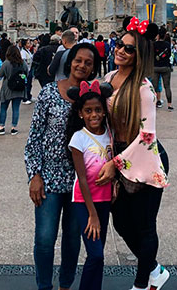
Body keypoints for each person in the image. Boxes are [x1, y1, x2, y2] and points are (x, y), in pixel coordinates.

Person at [96, 16, 170, 290]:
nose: (120, 50)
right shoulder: (109, 78)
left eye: (128, 48)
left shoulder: (144, 89)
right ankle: (153, 269)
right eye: (119, 44)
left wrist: (115, 164)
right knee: (121, 223)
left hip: (145, 158)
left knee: (144, 225)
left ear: (139, 55)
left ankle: (142, 285)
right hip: (119, 155)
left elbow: (147, 136)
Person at [25, 42, 100, 290]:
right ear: (70, 61)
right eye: (78, 60)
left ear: (93, 68)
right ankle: (44, 286)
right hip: (49, 178)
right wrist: (34, 175)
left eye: (88, 63)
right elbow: (34, 137)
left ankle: (65, 285)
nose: (82, 66)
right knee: (45, 239)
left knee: (72, 240)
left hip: (80, 182)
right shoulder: (48, 93)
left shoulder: (93, 98)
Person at [66, 80, 114, 290]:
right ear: (80, 114)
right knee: (95, 254)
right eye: (88, 111)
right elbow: (82, 178)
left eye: (98, 110)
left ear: (104, 111)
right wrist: (92, 214)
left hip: (105, 200)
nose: (94, 115)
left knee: (99, 256)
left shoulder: (110, 134)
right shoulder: (79, 139)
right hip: (84, 202)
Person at [0, 45, 27, 136]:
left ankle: (1, 127)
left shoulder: (6, 63)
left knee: (3, 107)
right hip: (19, 88)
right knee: (16, 109)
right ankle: (14, 128)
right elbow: (27, 72)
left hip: (7, 88)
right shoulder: (22, 63)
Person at [152, 29, 173, 111]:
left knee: (154, 87)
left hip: (155, 66)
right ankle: (169, 104)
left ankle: (153, 103)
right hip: (165, 66)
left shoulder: (154, 44)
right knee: (167, 86)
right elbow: (169, 54)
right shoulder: (167, 44)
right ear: (164, 35)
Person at [20, 38, 34, 105]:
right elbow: (23, 62)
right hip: (25, 71)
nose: (29, 44)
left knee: (29, 84)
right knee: (26, 84)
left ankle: (29, 96)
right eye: (28, 43)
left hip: (29, 69)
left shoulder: (28, 51)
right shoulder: (23, 52)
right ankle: (25, 98)